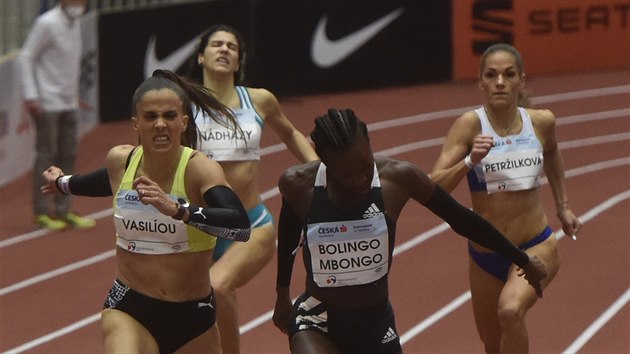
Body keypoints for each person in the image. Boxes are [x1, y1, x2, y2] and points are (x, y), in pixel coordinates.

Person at [272, 108, 547, 354]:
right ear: (326, 164)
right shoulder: (299, 186)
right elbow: (287, 235)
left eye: (366, 167)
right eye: (346, 175)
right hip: (317, 318)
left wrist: (521, 258)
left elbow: (462, 219)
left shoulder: (398, 178)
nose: (360, 180)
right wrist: (282, 294)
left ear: (370, 146)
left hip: (374, 322)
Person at [41, 69, 252, 353]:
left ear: (183, 121)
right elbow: (102, 181)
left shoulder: (198, 169)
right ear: (136, 124)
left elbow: (240, 227)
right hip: (130, 307)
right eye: (150, 117)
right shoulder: (121, 162)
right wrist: (63, 183)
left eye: (169, 116)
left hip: (192, 316)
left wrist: (180, 210)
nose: (160, 125)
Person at [429, 43, 582, 353]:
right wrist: (469, 161)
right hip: (486, 254)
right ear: (481, 82)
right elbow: (433, 187)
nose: (500, 82)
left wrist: (563, 207)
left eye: (509, 75)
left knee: (511, 311)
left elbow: (552, 152)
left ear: (521, 81)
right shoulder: (469, 126)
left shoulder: (541, 122)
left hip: (536, 243)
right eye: (492, 75)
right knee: (492, 343)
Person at [188, 24, 319, 354]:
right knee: (187, 313)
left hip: (250, 224)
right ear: (201, 57)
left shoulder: (259, 100)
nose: (224, 50)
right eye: (216, 44)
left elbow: (290, 134)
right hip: (198, 227)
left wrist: (322, 174)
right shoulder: (183, 105)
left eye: (232, 47)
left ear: (238, 62)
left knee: (218, 286)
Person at [18, 0, 95, 230]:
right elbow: (26, 56)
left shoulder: (76, 23)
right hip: (46, 102)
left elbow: (67, 63)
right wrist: (31, 95)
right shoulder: (47, 23)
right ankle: (41, 211)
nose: (79, 3)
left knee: (69, 155)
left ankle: (64, 209)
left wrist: (74, 95)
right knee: (46, 155)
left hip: (69, 102)